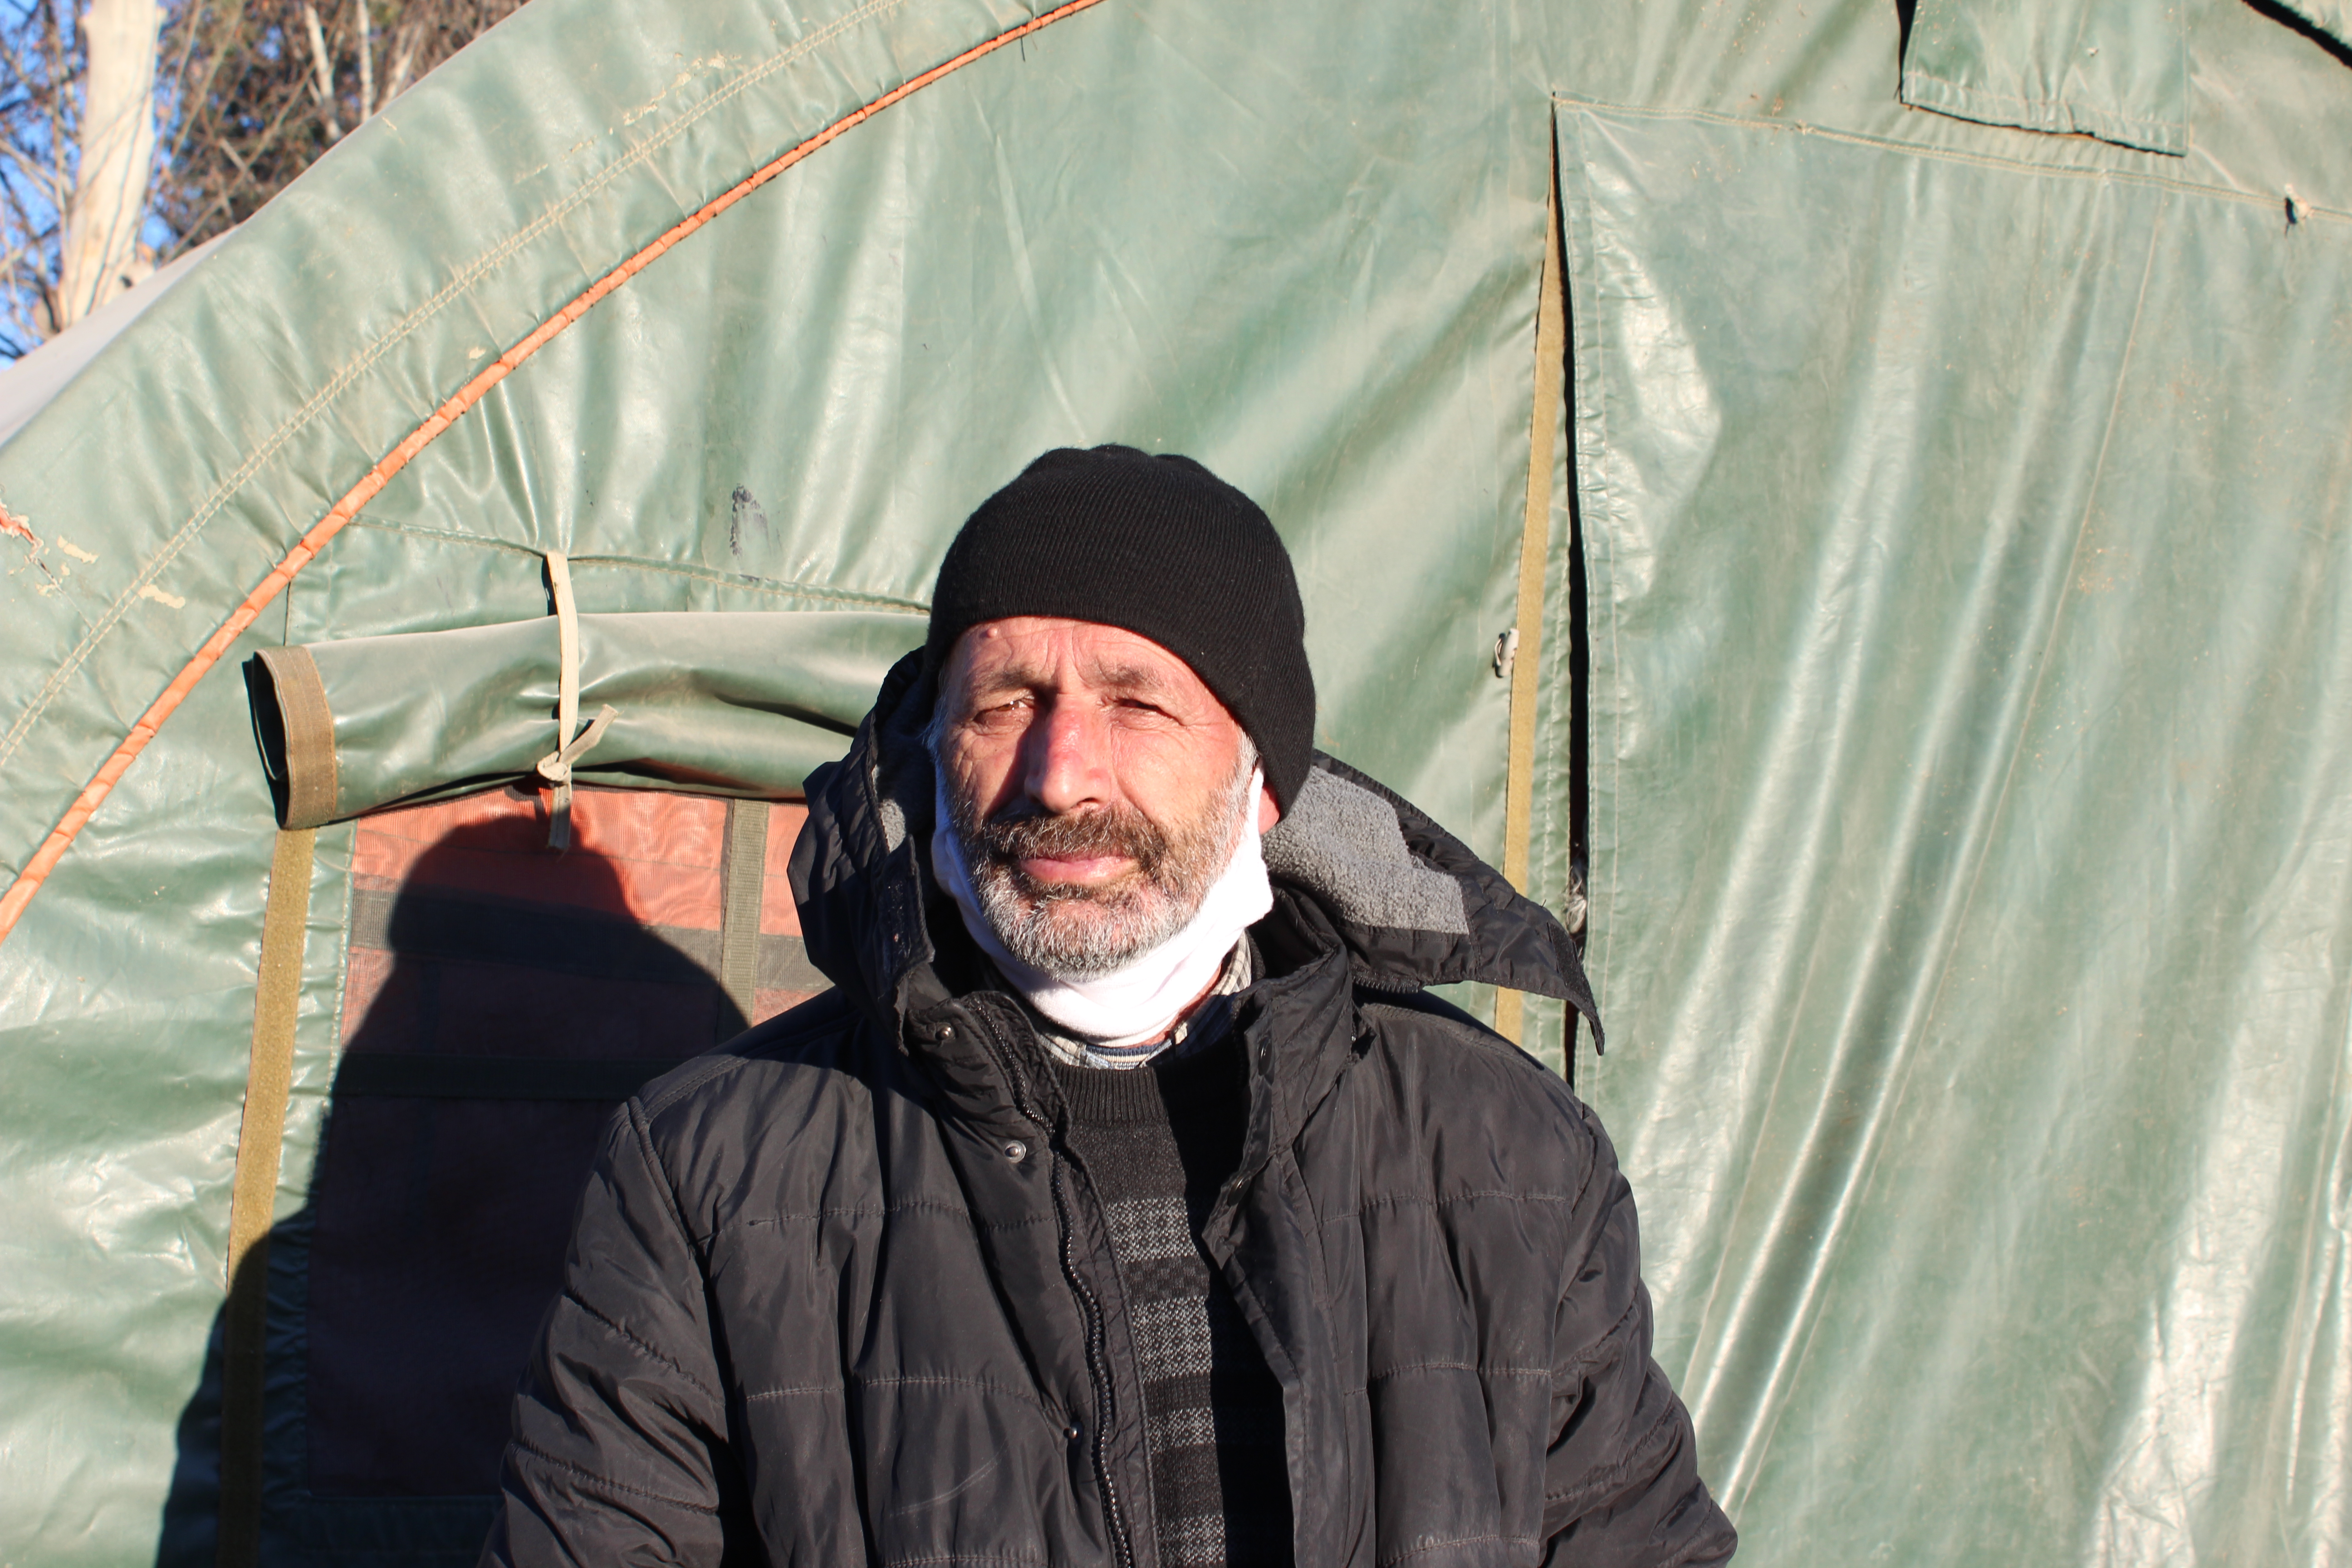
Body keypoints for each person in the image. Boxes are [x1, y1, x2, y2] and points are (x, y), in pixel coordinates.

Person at [481, 445, 1736, 1568]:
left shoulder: (1507, 1157)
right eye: (1004, 702)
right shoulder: (711, 1179)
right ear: (932, 753)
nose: (1059, 769)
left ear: (1262, 781)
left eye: (1136, 702)